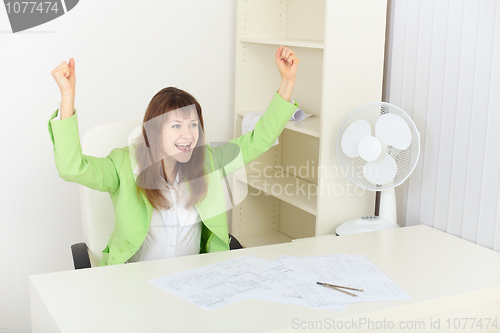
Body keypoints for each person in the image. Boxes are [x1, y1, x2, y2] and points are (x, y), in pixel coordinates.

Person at [48, 46, 300, 266]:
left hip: (192, 281)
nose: (188, 135)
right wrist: (67, 97)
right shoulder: (123, 165)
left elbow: (259, 141)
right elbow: (72, 167)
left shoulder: (208, 160)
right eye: (176, 126)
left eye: (193, 125)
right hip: (133, 285)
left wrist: (287, 82)